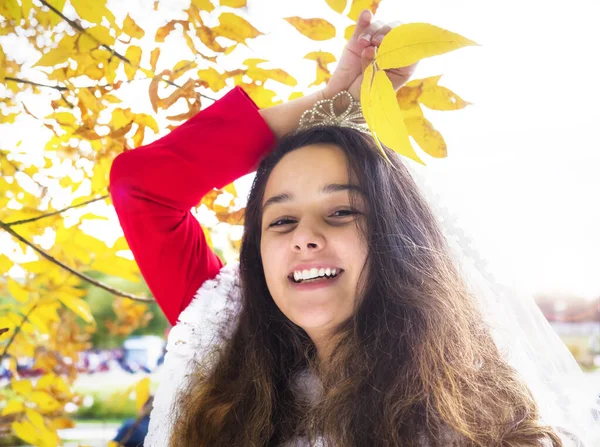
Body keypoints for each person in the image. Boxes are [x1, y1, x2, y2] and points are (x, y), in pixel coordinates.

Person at [109, 9, 600, 447]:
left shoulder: (482, 425)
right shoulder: (219, 333)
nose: (305, 236)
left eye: (341, 212)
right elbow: (141, 186)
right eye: (280, 219)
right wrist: (331, 100)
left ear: (397, 237)